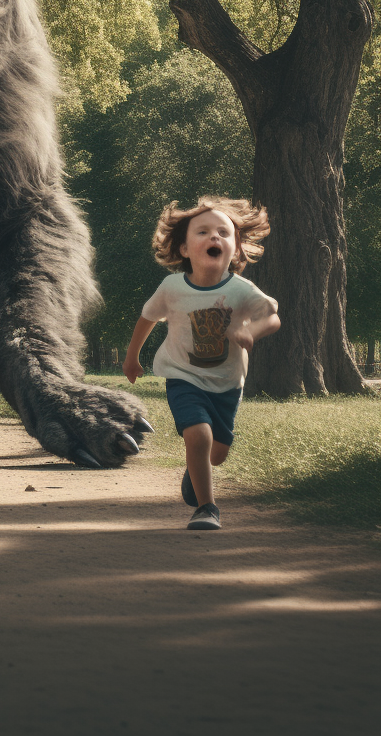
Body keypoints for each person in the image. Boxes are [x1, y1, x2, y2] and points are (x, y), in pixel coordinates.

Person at [123, 197, 280, 530]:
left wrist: (251, 331)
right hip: (183, 376)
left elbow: (272, 316)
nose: (214, 238)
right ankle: (207, 508)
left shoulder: (241, 290)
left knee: (217, 452)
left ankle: (195, 472)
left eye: (224, 232)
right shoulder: (172, 287)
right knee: (198, 436)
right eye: (204, 232)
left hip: (227, 382)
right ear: (183, 249)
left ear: (236, 249)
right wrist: (132, 357)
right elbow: (147, 318)